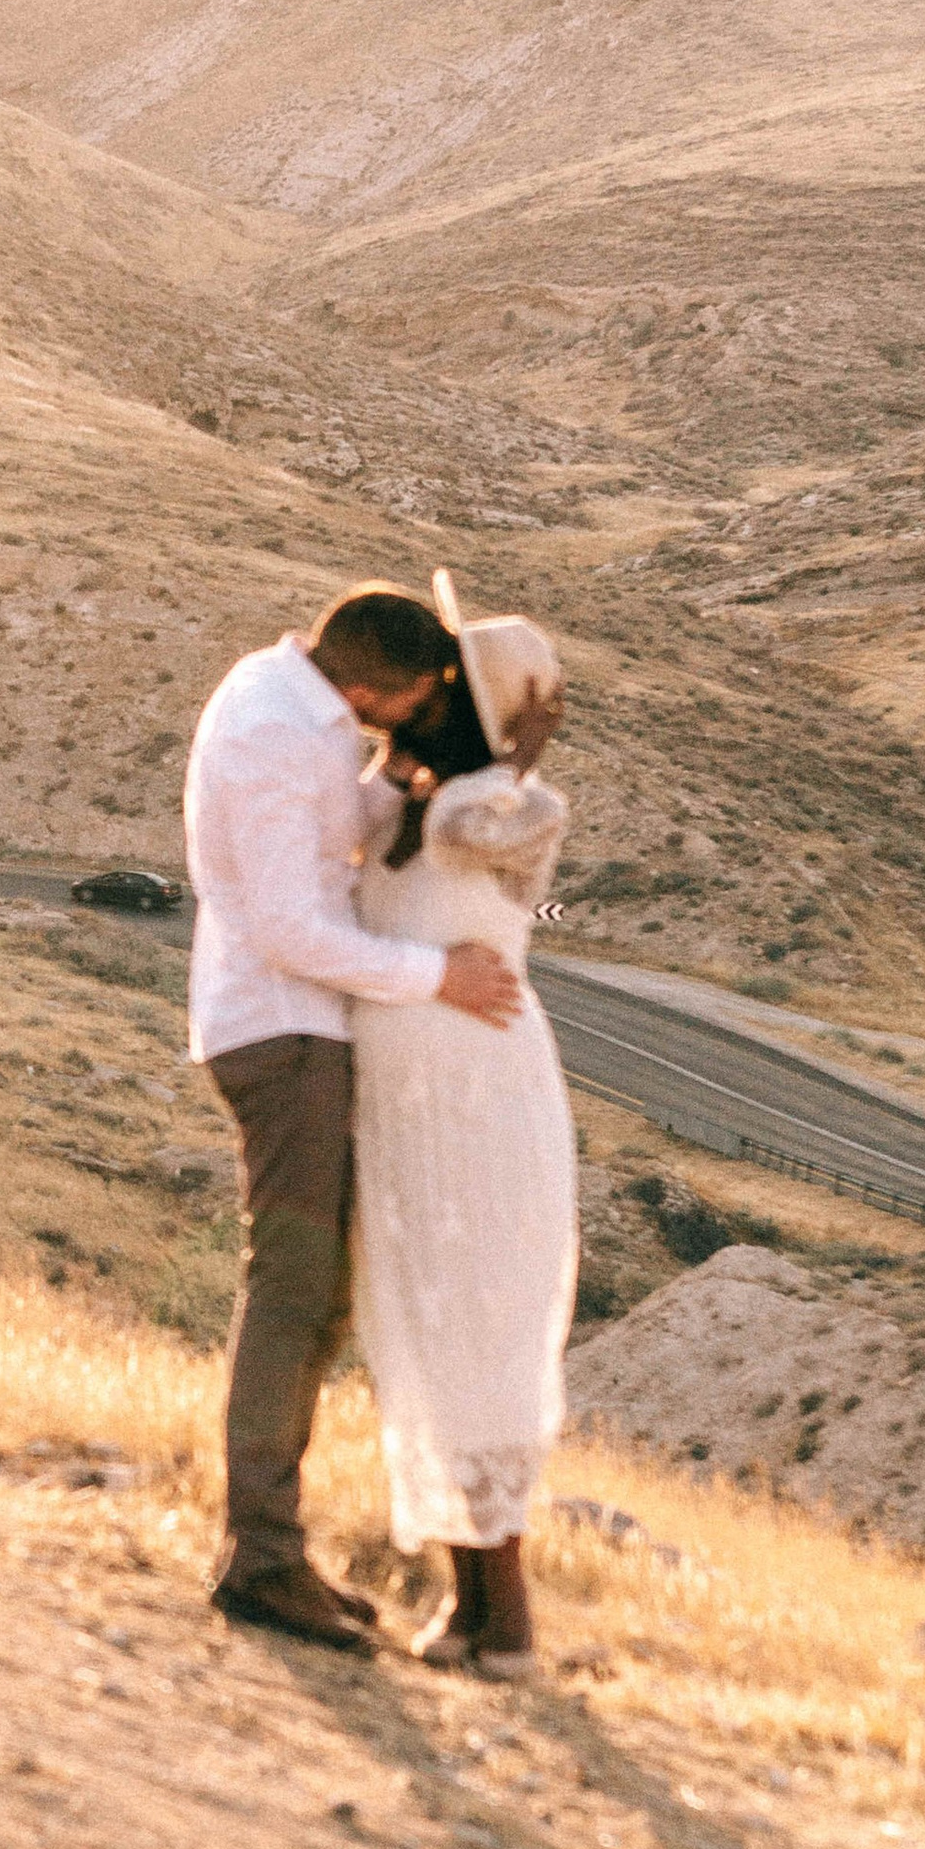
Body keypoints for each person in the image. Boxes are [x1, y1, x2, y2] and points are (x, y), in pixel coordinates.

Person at [182, 585, 526, 1654]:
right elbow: (292, 927)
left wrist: (391, 790)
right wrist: (440, 977)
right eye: (420, 698)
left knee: (312, 1297)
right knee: (292, 1295)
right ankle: (261, 1557)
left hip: (287, 1028)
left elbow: (326, 849)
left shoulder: (294, 708)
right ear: (376, 686)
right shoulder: (283, 733)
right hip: (285, 1033)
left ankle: (272, 1550)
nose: (424, 714)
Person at [350, 575, 575, 1672]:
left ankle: (506, 1611)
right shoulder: (412, 802)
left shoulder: (483, 809)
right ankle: (469, 1601)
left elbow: (530, 816)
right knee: (424, 1330)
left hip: (476, 1100)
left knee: (477, 1328)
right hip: (405, 1104)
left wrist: (507, 753)